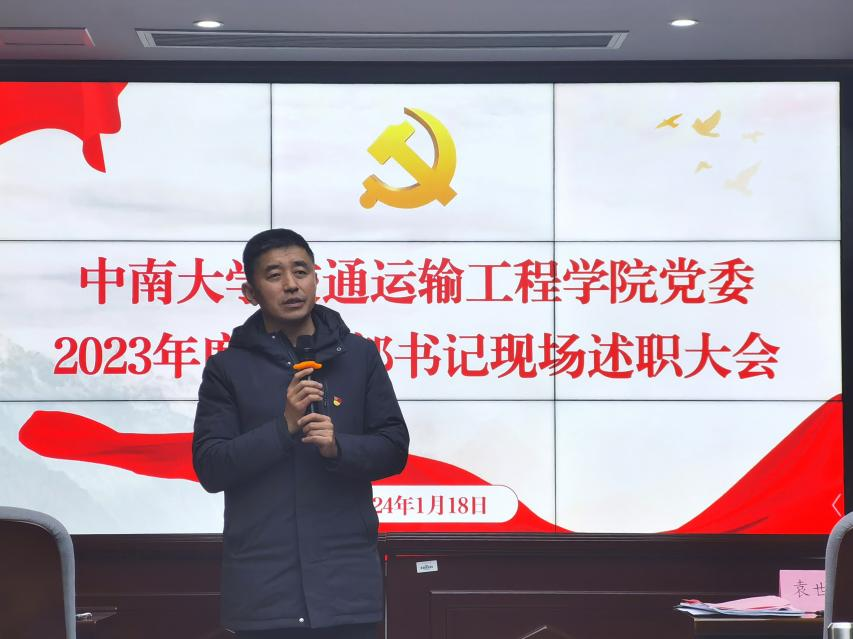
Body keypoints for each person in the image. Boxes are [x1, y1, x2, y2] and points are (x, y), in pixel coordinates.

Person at [192, 228, 409, 639]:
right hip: (264, 592)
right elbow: (211, 467)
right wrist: (284, 427)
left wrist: (338, 448)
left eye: (301, 271)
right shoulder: (227, 369)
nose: (291, 285)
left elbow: (394, 448)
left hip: (346, 588)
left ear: (316, 278)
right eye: (274, 275)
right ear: (250, 292)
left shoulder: (359, 356)